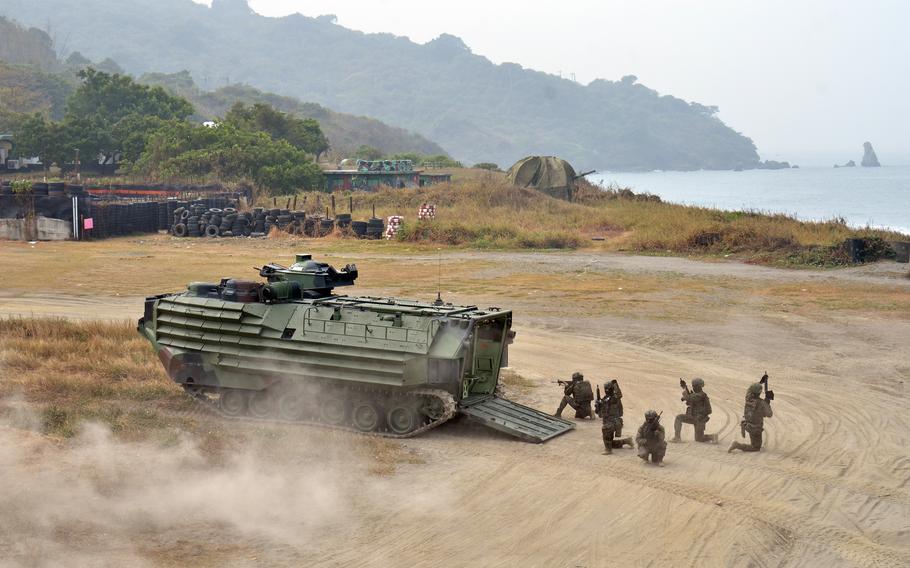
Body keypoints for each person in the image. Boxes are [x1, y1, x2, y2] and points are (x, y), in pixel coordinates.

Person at [729, 382, 773, 453]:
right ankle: (737, 445)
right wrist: (767, 401)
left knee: (757, 443)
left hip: (747, 424)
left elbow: (751, 391)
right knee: (756, 447)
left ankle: (753, 443)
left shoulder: (748, 398)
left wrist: (760, 383)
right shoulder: (761, 403)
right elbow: (769, 414)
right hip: (755, 428)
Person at [672, 377, 717, 443]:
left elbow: (709, 410)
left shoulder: (702, 396)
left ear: (699, 387)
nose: (693, 387)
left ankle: (713, 437)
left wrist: (701, 415)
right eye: (693, 386)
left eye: (695, 386)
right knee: (679, 418)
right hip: (692, 417)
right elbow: (689, 400)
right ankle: (677, 437)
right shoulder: (694, 395)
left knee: (699, 439)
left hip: (699, 420)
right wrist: (685, 387)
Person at [596, 379, 634, 454]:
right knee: (610, 442)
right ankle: (627, 441)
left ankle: (608, 450)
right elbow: (600, 414)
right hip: (608, 421)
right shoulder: (605, 398)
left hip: (614, 421)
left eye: (607, 389)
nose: (606, 390)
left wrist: (615, 384)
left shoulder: (614, 398)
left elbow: (619, 394)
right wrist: (598, 405)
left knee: (605, 429)